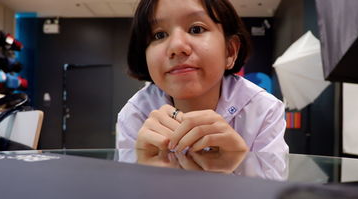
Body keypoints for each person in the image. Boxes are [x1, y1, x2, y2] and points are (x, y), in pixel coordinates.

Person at [117, 0, 288, 157]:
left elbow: (271, 189)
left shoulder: (263, 110)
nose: (176, 46)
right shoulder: (135, 114)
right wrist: (145, 170)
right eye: (159, 35)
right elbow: (124, 187)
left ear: (229, 51)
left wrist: (239, 163)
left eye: (196, 29)